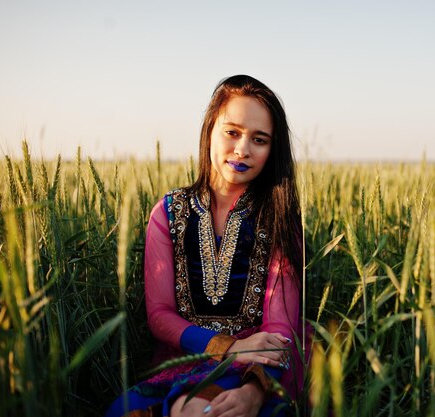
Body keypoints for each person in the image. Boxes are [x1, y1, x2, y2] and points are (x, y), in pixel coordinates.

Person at [105, 75, 304, 417]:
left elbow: (280, 330)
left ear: (272, 150)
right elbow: (160, 315)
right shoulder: (168, 212)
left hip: (259, 366)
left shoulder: (279, 217)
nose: (242, 149)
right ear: (209, 129)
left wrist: (255, 393)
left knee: (201, 410)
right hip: (186, 357)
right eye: (232, 132)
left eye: (259, 139)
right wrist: (226, 347)